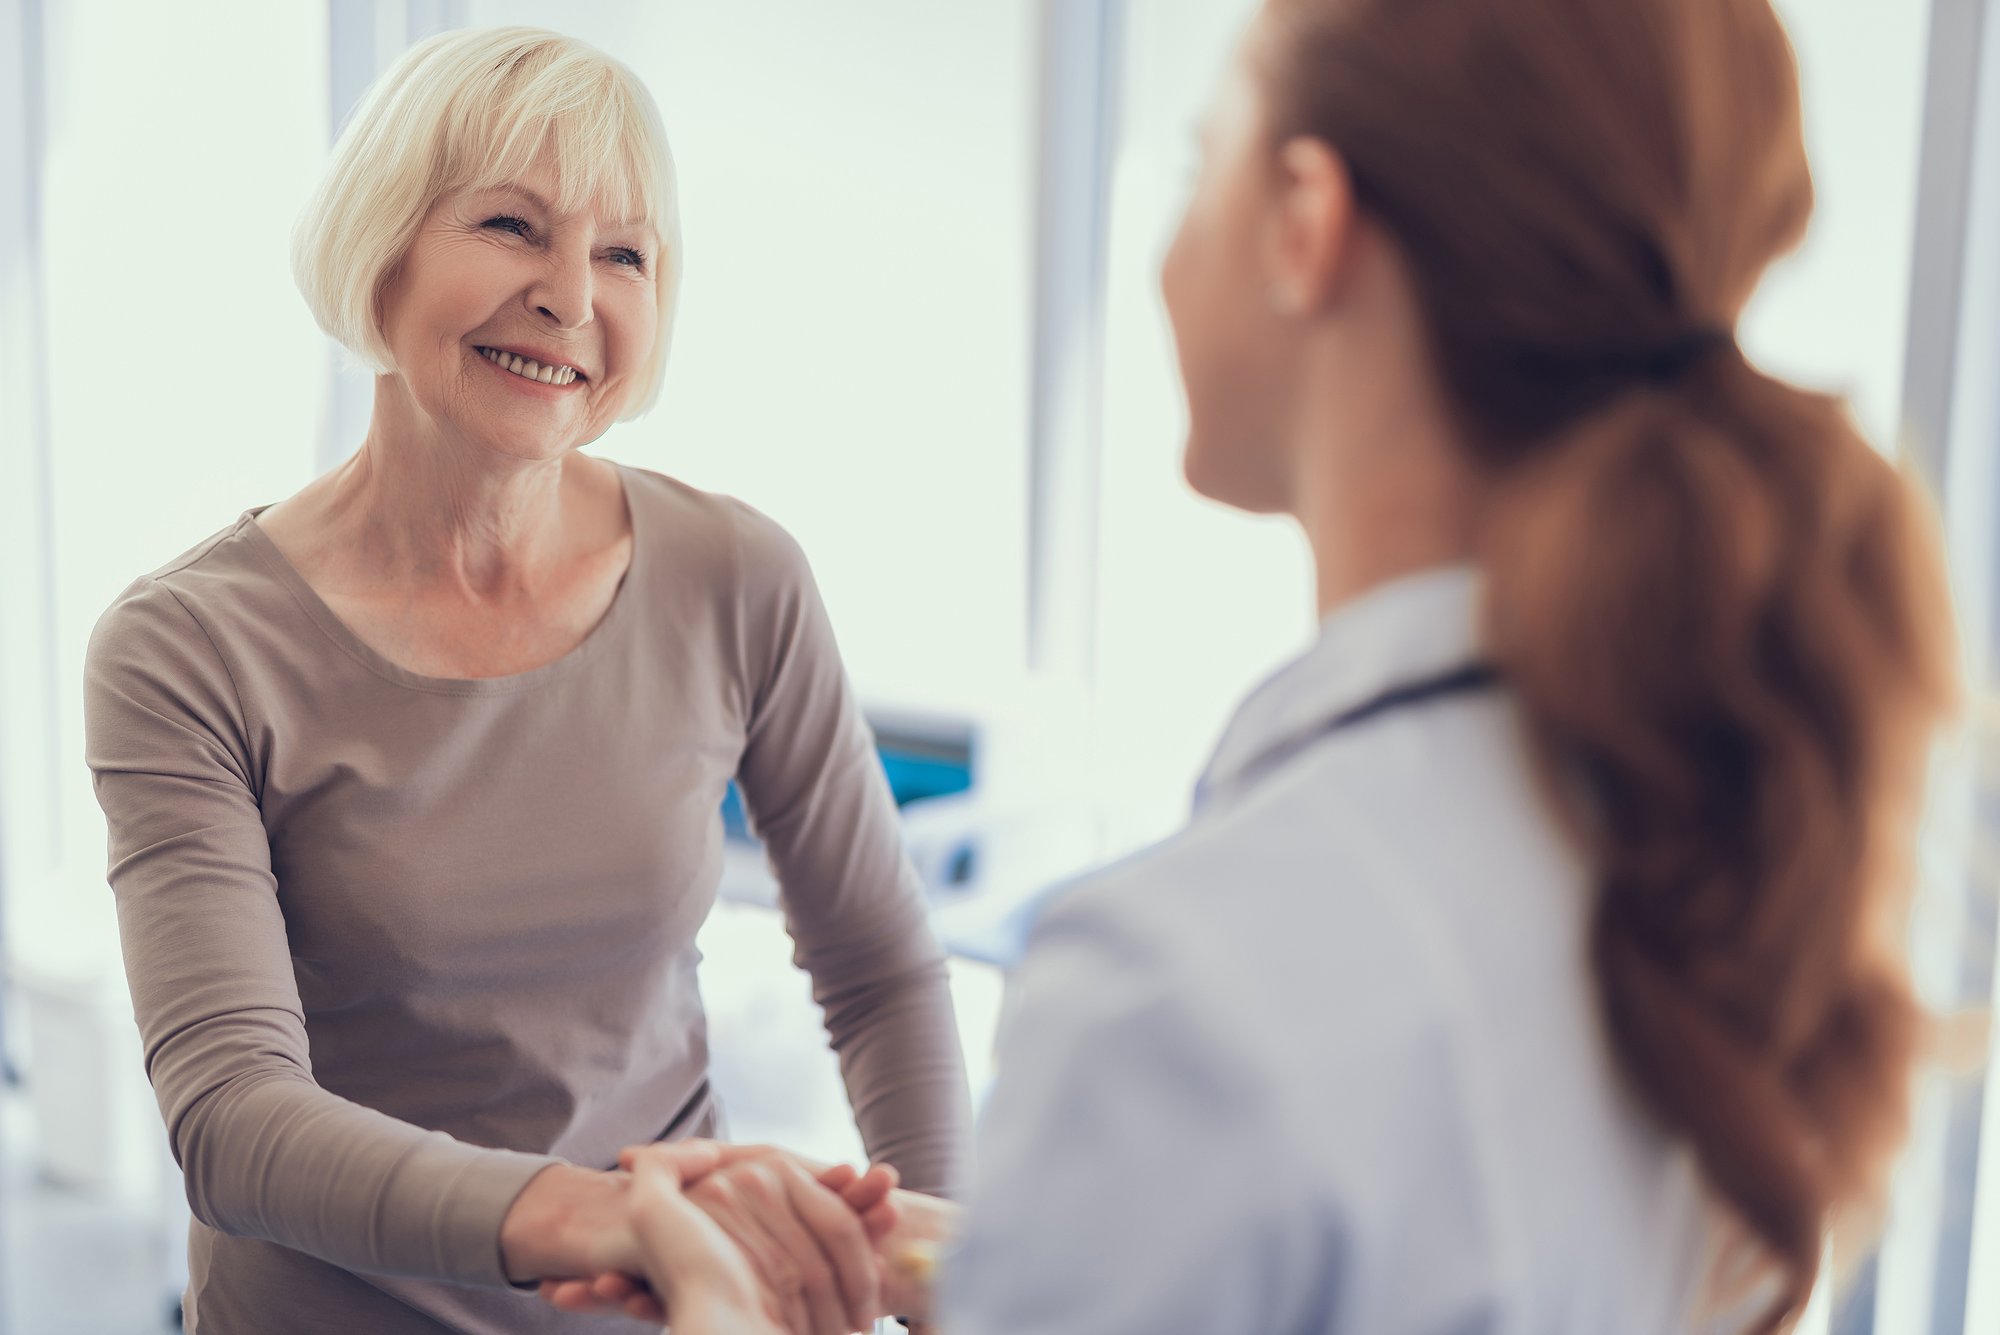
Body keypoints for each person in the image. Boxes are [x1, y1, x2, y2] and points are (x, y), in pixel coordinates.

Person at [581, 0, 1962, 1331]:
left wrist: (733, 1309)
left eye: (1202, 160)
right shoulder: (1701, 859)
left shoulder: (1185, 990)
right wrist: (986, 1260)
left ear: (1308, 223)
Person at [82, 25, 970, 1335]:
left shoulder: (737, 576)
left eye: (623, 254)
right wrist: (607, 1216)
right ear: (379, 250)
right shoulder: (187, 649)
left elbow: (882, 966)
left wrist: (950, 1267)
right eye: (511, 225)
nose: (570, 294)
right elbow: (233, 1117)